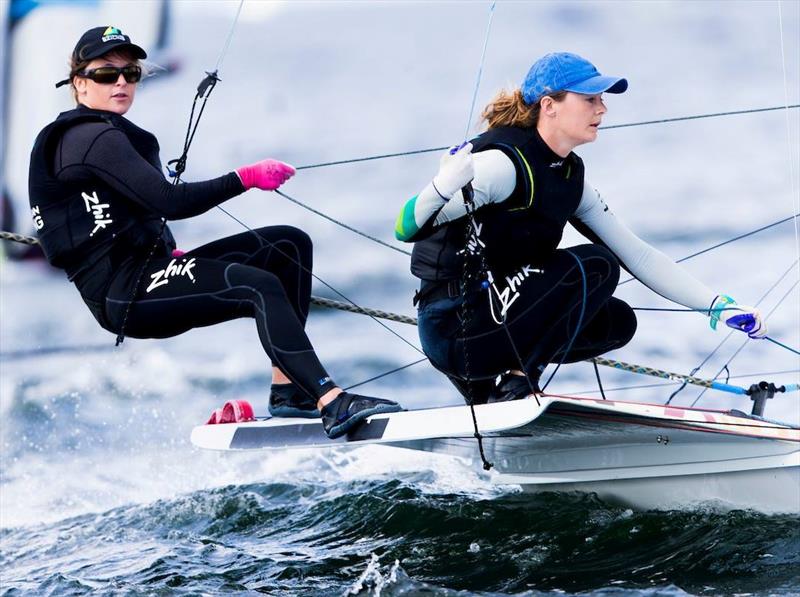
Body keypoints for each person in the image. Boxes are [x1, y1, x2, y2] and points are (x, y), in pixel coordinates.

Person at [29, 26, 401, 438]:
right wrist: (245, 177)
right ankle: (330, 399)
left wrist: (166, 249)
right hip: (125, 293)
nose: (120, 82)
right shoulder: (88, 137)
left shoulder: (107, 135)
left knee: (287, 245)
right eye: (105, 74)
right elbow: (172, 202)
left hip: (148, 270)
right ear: (80, 83)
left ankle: (288, 390)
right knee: (256, 284)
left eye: (130, 73)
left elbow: (133, 211)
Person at [395, 52, 767, 403]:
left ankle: (502, 389)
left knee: (617, 322)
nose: (602, 108)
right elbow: (405, 227)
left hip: (498, 319)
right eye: (589, 98)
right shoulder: (501, 166)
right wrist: (443, 186)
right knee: (596, 266)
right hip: (455, 328)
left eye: (601, 98)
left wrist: (716, 306)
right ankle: (515, 383)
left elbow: (635, 253)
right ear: (549, 105)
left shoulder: (569, 175)